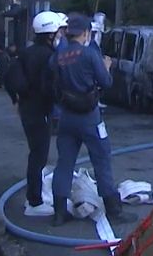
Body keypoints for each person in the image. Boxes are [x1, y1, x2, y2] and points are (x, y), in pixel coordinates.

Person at [49, 14, 125, 226]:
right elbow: (106, 82)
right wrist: (107, 65)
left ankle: (59, 213)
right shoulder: (90, 54)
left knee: (64, 163)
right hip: (90, 117)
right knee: (102, 160)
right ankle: (114, 210)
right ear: (85, 33)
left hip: (66, 117)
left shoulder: (57, 56)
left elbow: (52, 82)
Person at [5, 11, 60, 217]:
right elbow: (49, 88)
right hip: (39, 111)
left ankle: (34, 197)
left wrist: (17, 99)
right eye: (57, 32)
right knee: (39, 156)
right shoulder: (48, 56)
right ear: (50, 34)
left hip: (27, 108)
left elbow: (10, 77)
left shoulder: (27, 52)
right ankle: (34, 202)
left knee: (35, 154)